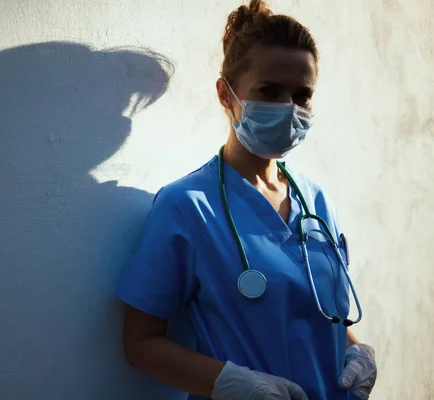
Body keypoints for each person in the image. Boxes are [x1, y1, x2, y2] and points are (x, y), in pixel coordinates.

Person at [115, 1, 378, 399]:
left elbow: (320, 314)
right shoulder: (187, 207)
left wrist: (356, 350)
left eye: (302, 95)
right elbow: (141, 343)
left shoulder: (317, 202)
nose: (289, 109)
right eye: (269, 91)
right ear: (226, 94)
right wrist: (229, 384)